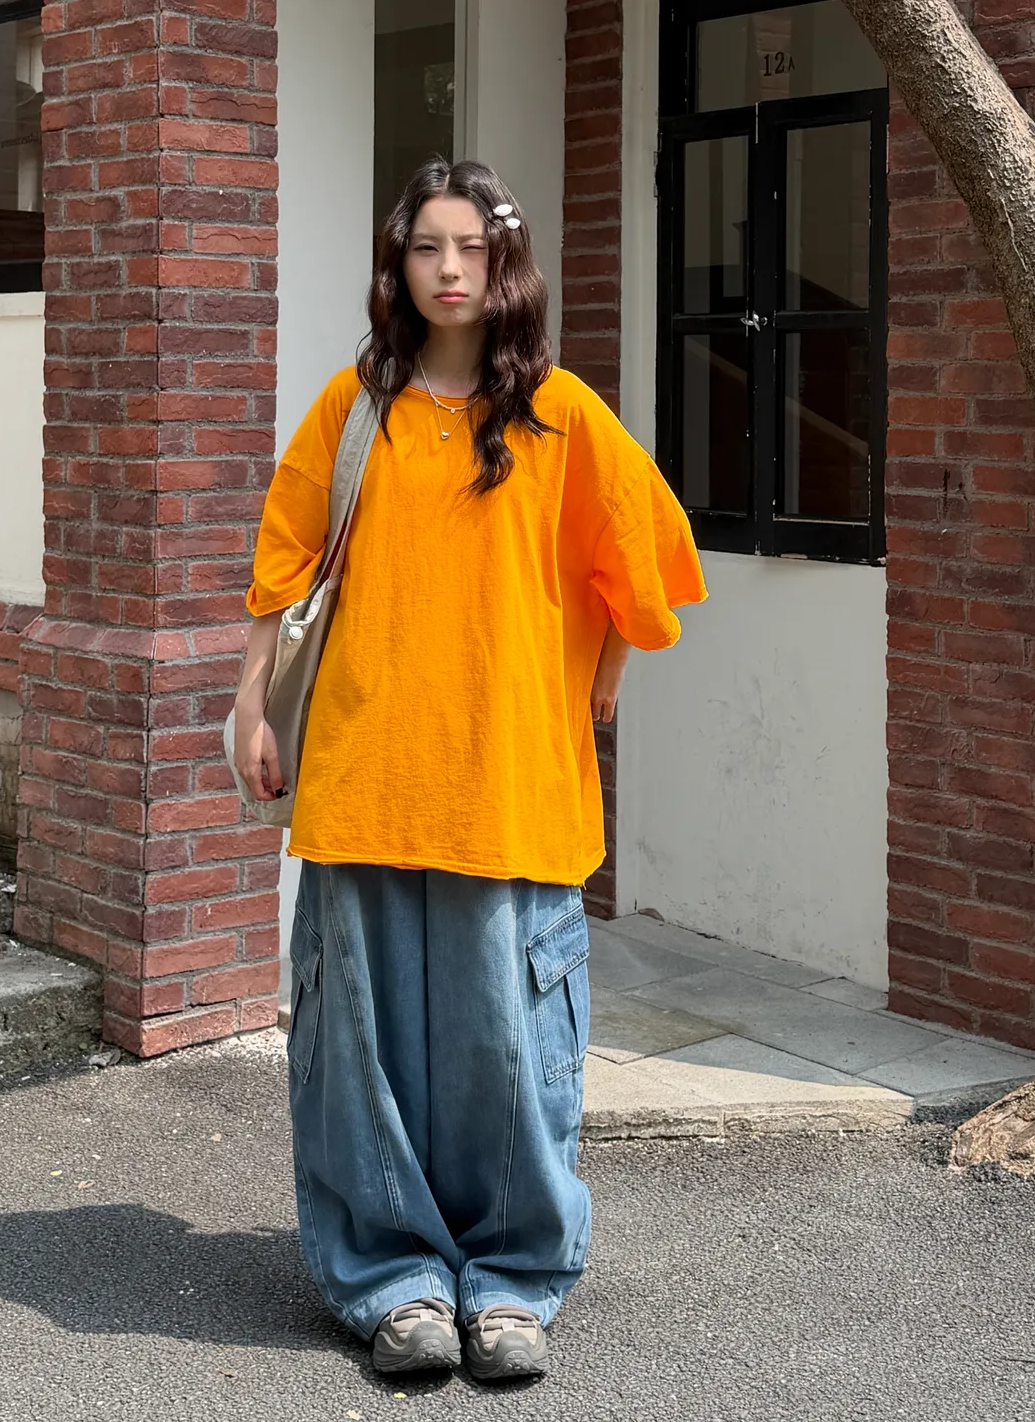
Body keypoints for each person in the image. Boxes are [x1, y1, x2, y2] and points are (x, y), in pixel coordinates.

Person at [231, 158, 707, 1383]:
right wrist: (250, 706)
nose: (449, 270)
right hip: (364, 777)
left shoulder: (562, 417)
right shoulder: (354, 409)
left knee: (507, 1052)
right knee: (364, 1055)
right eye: (426, 247)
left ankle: (511, 1281)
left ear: (507, 267)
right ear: (397, 266)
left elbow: (650, 557)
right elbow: (285, 563)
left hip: (508, 788)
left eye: (472, 248)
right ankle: (391, 1279)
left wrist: (601, 675)